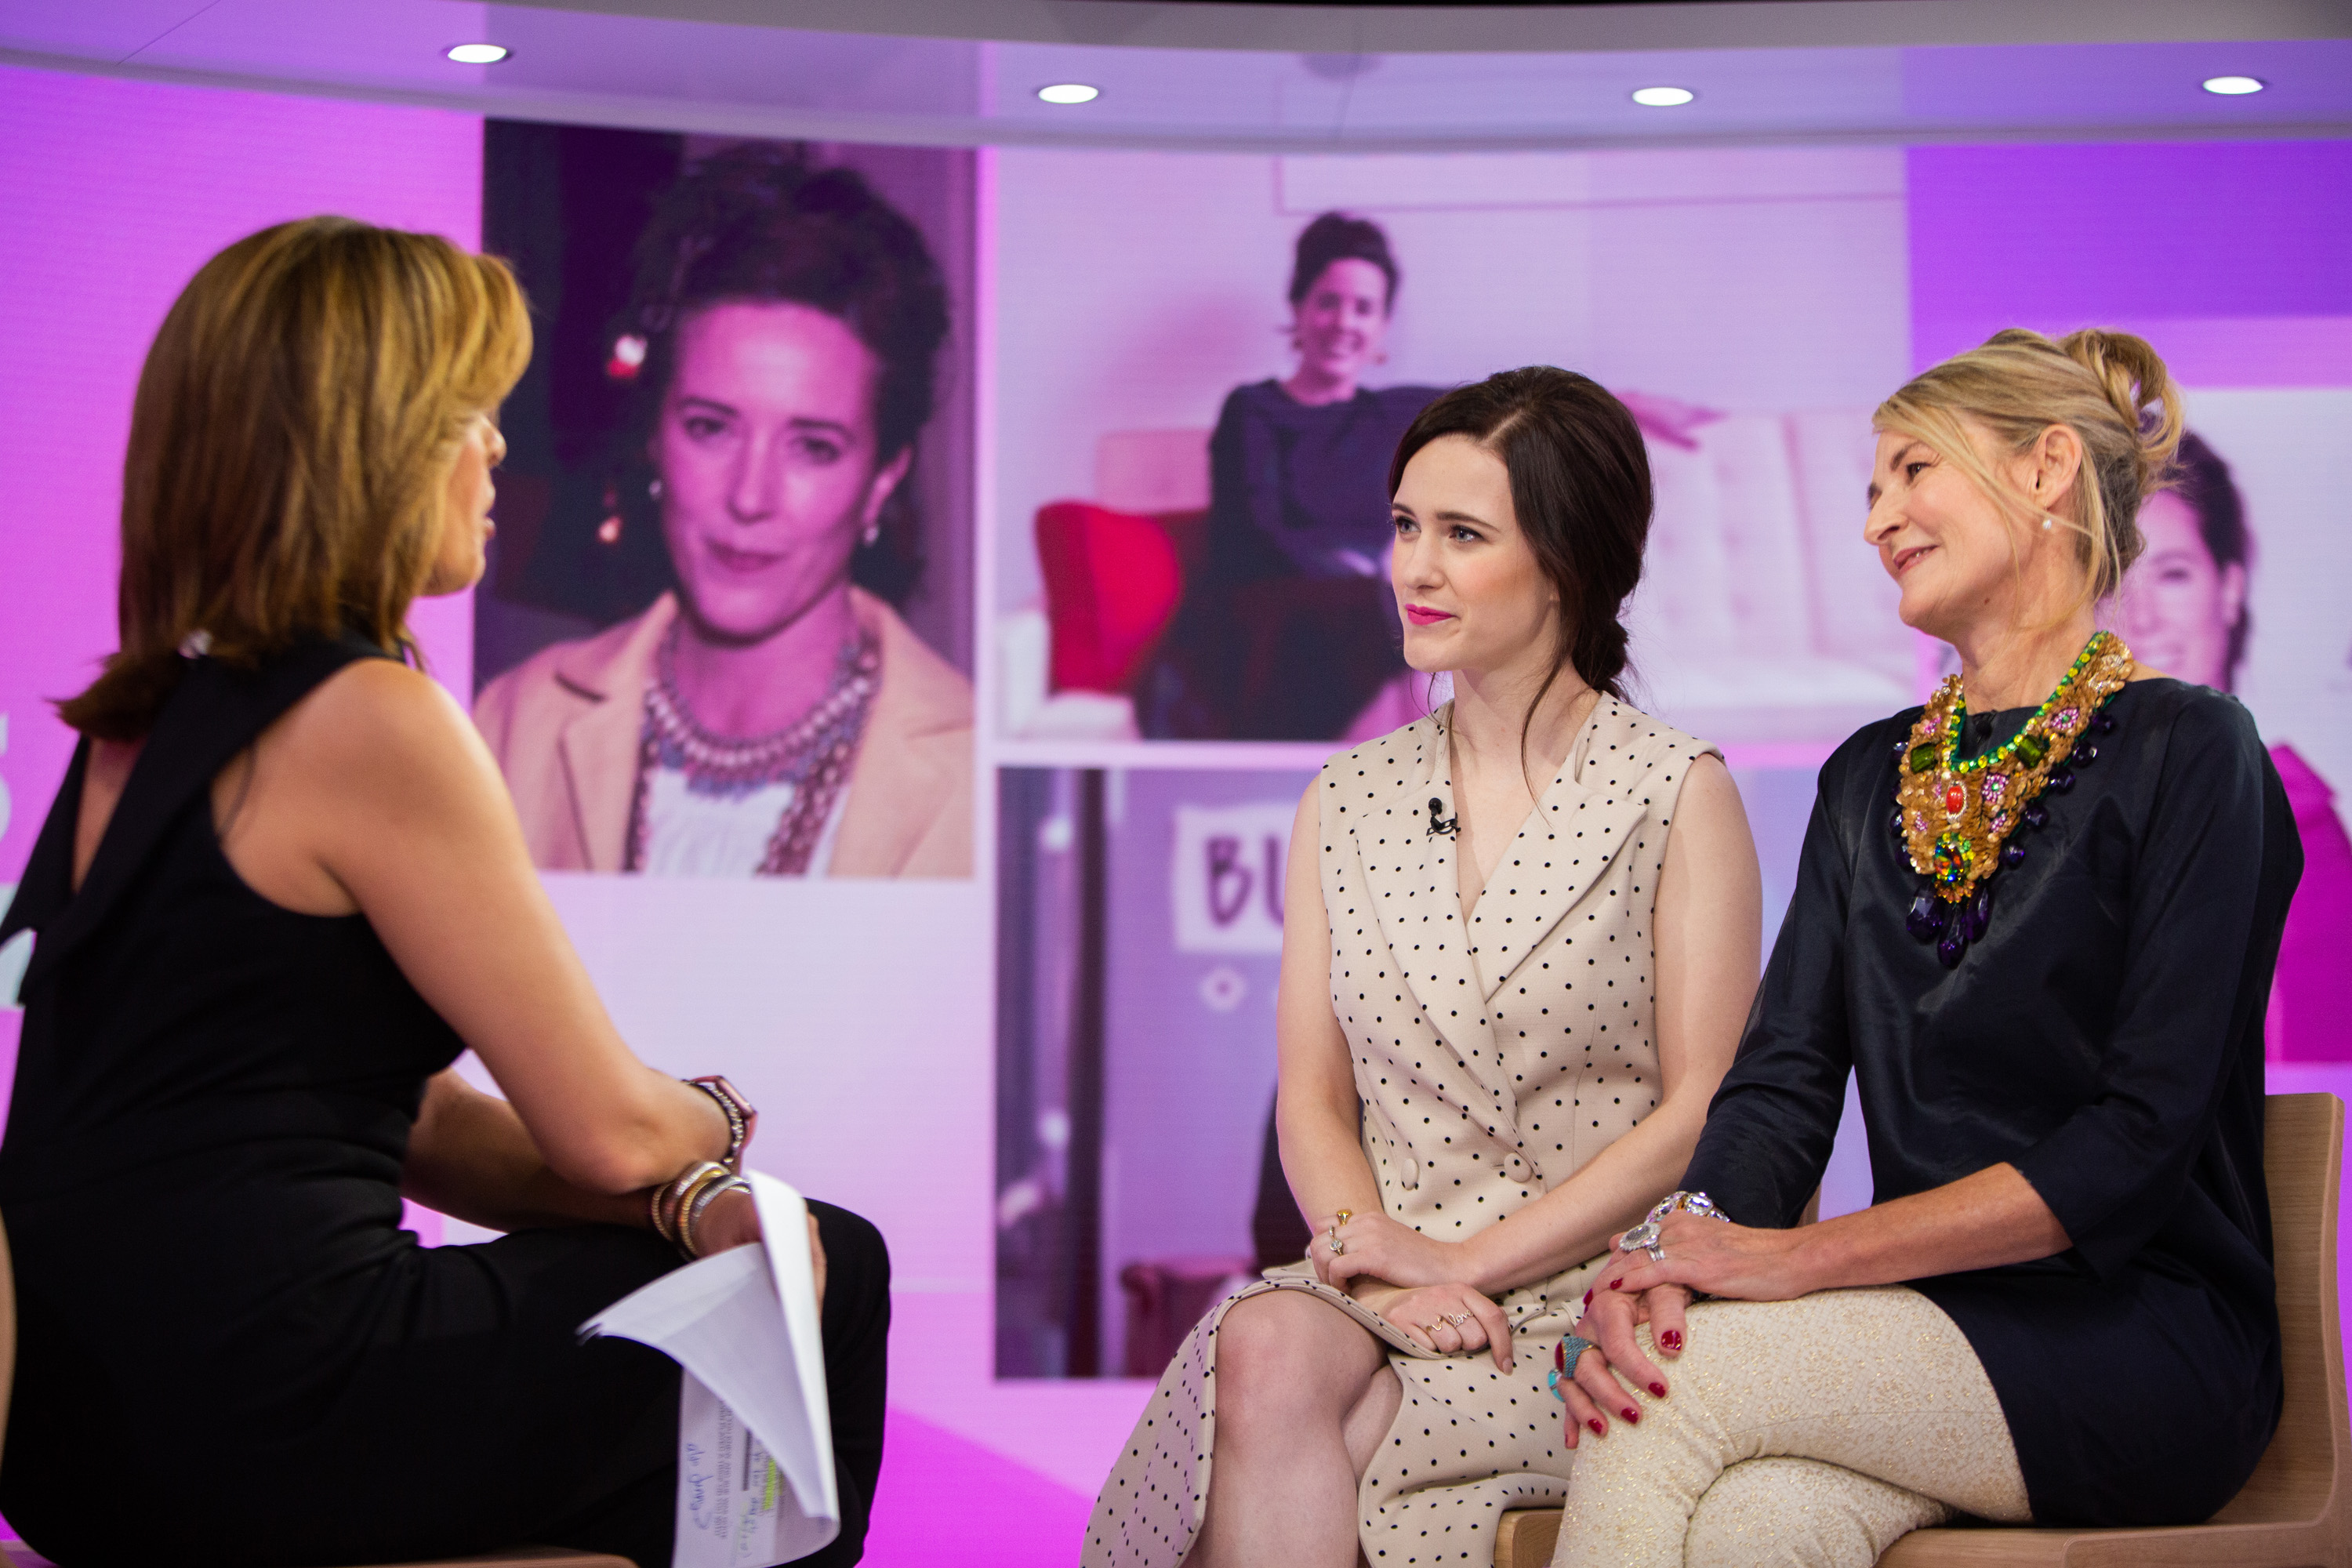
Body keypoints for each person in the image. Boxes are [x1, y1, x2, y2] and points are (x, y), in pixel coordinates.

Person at [0, 218, 888, 1568]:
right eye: (469, 414)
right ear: (373, 443)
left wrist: (684, 1199)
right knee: (835, 1268)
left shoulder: (137, 724)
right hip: (258, 1410)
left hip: (78, 1442)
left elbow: (404, 1119)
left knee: (738, 1281)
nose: (497, 451)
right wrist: (709, 1128)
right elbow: (608, 1129)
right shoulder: (371, 719)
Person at [1548, 330, 2303, 1566]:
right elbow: (1783, 1087)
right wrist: (1679, 1257)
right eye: (1870, 489)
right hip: (1918, 1327)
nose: (1876, 522)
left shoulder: (2193, 750)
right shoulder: (1866, 777)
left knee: (1664, 1389)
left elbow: (2133, 1141)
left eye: (1912, 471)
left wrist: (1799, 1260)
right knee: (1753, 1521)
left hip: (2145, 1342)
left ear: (2046, 468)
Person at [1087, 367, 1764, 1567]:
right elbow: (1313, 1097)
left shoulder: (1677, 791)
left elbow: (1703, 1109)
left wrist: (1464, 1266)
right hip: (1386, 1281)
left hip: (1595, 1303)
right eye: (1405, 527)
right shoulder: (1346, 797)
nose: (1414, 567)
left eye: (1462, 534)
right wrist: (1382, 1268)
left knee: (1336, 1437)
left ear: (1566, 561)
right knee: (1264, 1344)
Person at [475, 145, 971, 877]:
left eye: (814, 447)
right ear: (655, 436)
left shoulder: (974, 773)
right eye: (711, 428)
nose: (749, 496)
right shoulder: (514, 726)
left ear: (881, 480)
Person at [1141, 212, 1442, 741]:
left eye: (1364, 308)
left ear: (1382, 327)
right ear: (1298, 307)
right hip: (1265, 628)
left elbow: (1516, 406)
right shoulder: (1252, 410)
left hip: (1369, 626)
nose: (1344, 322)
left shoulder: (1395, 415)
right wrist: (1365, 572)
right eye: (1328, 302)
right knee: (1402, 622)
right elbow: (1256, 534)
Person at [2114, 431, 2352, 1060]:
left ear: (2230, 589)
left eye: (2172, 575)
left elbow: (2318, 1079)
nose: (2142, 618)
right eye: (2114, 580)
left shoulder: (2296, 827)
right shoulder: (2051, 816)